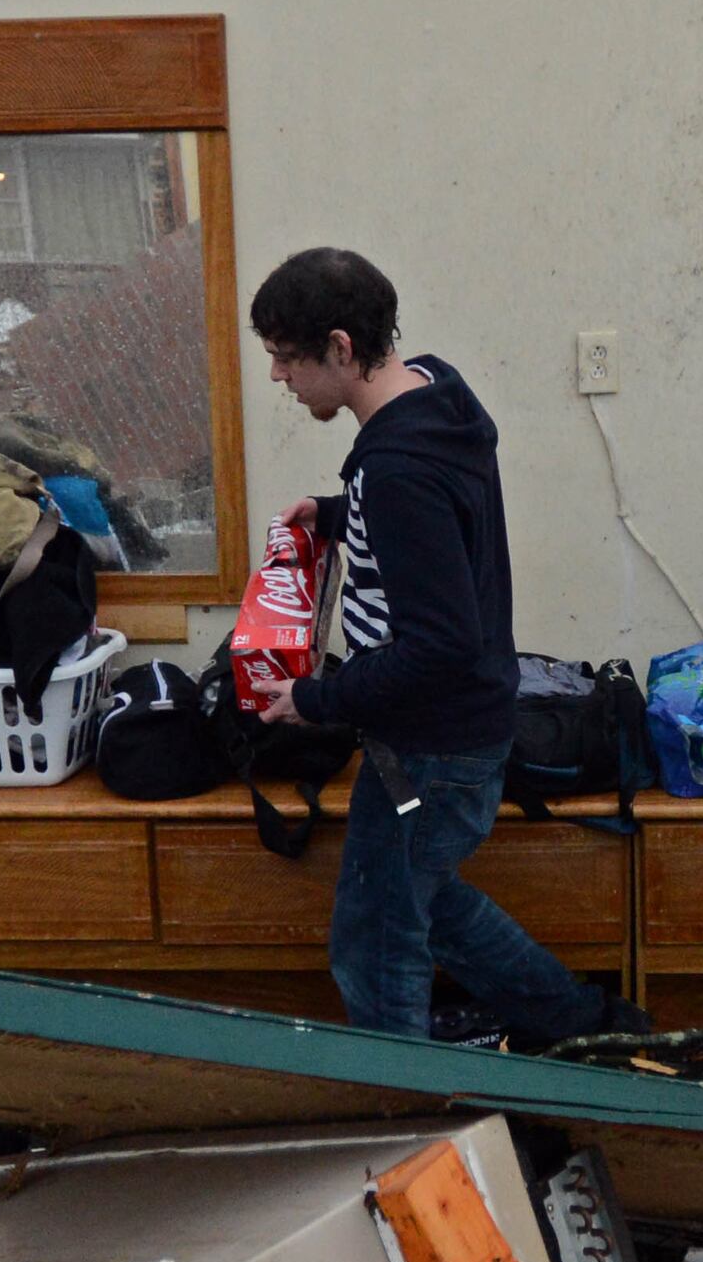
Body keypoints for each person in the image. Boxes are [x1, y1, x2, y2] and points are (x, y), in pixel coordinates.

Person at [247, 247, 614, 1047]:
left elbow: (439, 645)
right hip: (450, 739)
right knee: (424, 900)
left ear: (340, 349)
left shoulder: (399, 467)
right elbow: (437, 526)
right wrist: (341, 512)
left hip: (431, 755)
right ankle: (583, 1025)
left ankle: (409, 1117)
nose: (278, 376)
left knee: (374, 941)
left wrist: (313, 699)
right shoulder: (435, 391)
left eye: (285, 357)